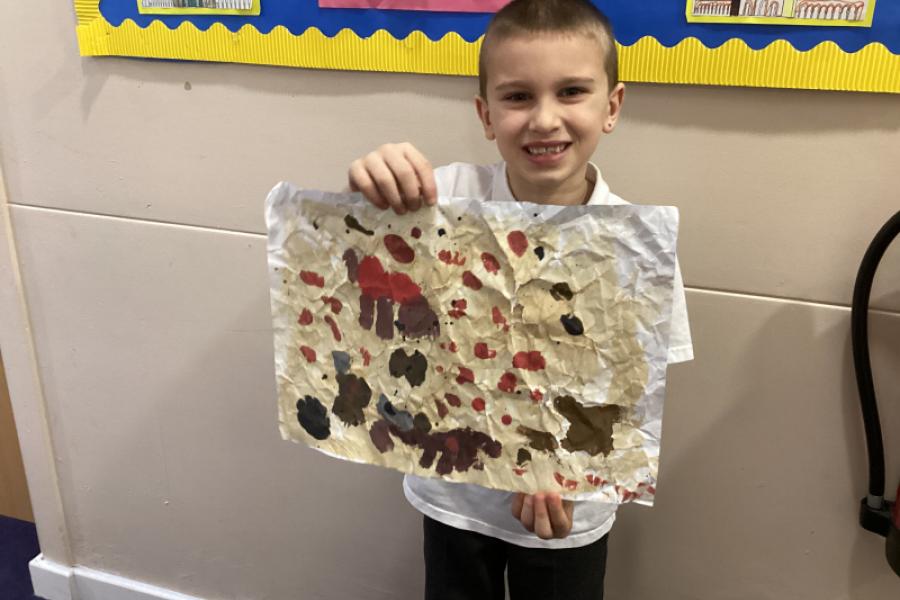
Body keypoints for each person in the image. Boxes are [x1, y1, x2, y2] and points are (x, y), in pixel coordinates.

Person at [347, 1, 694, 598]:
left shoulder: (636, 248)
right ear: (486, 115)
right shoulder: (442, 200)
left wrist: (573, 470)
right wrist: (373, 182)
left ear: (611, 107)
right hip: (454, 494)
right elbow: (362, 265)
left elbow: (632, 392)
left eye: (571, 91)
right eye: (517, 97)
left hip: (568, 507)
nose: (544, 119)